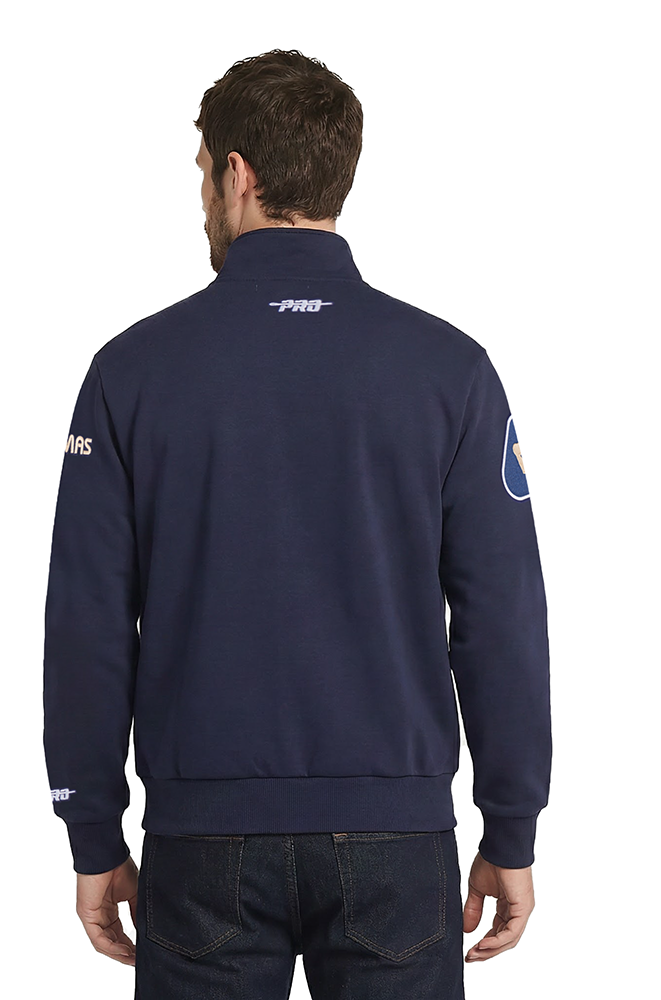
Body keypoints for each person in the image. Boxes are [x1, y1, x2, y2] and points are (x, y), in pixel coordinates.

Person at [43, 48, 552, 999]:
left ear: (238, 174)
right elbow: (502, 617)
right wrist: (511, 827)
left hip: (202, 840)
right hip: (397, 840)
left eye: (203, 170)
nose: (202, 194)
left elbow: (88, 623)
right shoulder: (450, 369)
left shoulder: (131, 371)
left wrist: (93, 833)